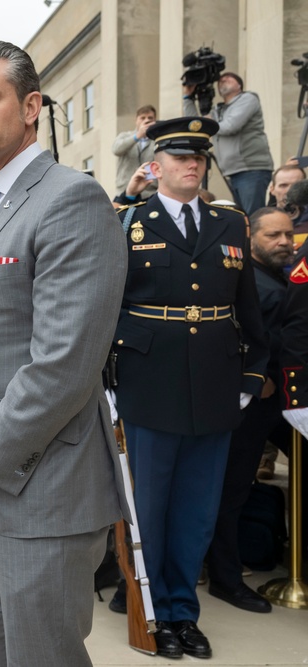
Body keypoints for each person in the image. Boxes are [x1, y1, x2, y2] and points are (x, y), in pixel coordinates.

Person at [0, 40, 127, 666]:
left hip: (42, 492)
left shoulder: (69, 199)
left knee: (41, 657)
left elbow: (63, 366)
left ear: (31, 106)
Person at [113, 117, 268, 658]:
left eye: (199, 156)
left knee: (197, 511)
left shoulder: (231, 224)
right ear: (154, 168)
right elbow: (108, 310)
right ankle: (152, 615)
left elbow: (248, 311)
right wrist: (110, 380)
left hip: (215, 385)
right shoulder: (129, 224)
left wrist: (249, 380)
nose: (192, 163)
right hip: (148, 385)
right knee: (149, 511)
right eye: (180, 156)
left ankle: (184, 612)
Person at [204, 207, 293, 614]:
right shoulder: (241, 278)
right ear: (250, 237)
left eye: (288, 235)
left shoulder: (281, 276)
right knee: (231, 490)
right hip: (250, 402)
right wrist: (256, 377)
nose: (284, 242)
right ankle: (225, 576)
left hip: (283, 401)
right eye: (273, 235)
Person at [184, 72, 273, 215]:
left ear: (239, 85)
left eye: (229, 78)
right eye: (220, 80)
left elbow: (231, 126)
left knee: (253, 218)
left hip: (251, 169)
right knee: (243, 218)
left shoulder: (247, 98)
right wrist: (188, 98)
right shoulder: (218, 111)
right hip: (234, 172)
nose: (223, 80)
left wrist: (209, 123)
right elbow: (195, 126)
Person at [113, 105, 158, 197]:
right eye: (142, 118)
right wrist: (138, 136)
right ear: (136, 120)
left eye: (150, 118)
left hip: (149, 192)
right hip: (124, 190)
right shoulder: (124, 136)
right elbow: (116, 150)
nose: (146, 121)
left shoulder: (157, 140)